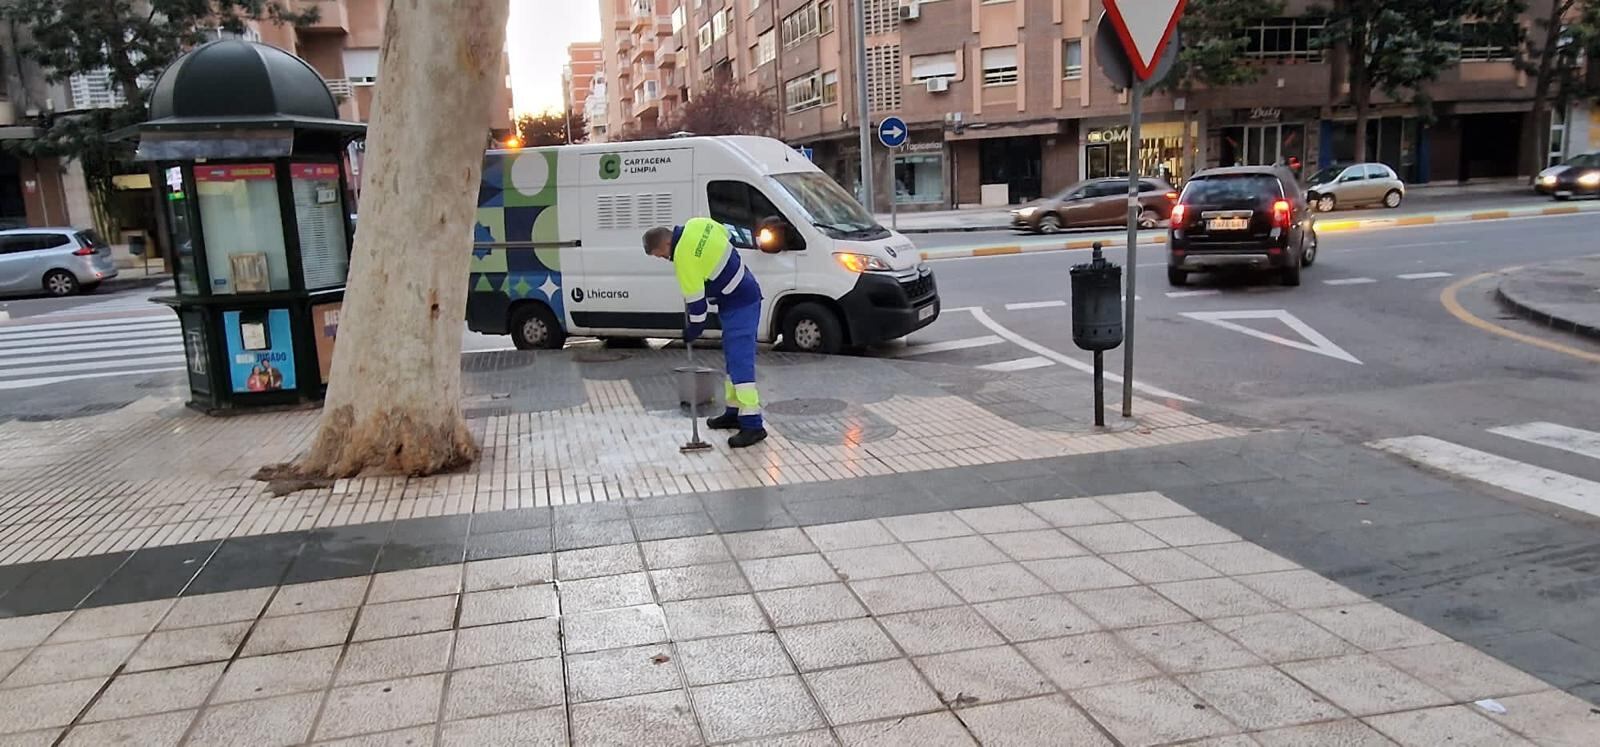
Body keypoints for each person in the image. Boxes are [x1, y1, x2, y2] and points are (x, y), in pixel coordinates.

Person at [643, 217, 767, 448]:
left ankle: (753, 425)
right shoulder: (697, 224)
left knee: (741, 364)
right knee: (733, 360)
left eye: (659, 255)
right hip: (743, 292)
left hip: (739, 304)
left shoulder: (683, 259)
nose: (663, 259)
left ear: (665, 245)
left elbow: (697, 307)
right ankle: (734, 411)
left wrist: (692, 330)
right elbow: (727, 236)